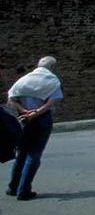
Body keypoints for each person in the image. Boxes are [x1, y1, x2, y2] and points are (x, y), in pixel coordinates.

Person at [6, 56, 63, 201]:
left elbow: (11, 99)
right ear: (52, 67)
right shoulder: (52, 80)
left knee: (22, 154)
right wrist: (36, 113)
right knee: (34, 155)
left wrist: (24, 111)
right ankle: (24, 190)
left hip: (23, 119)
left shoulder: (23, 80)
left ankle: (13, 187)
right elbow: (50, 102)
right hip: (41, 120)